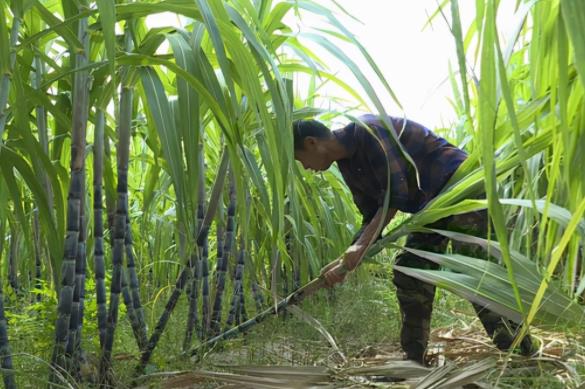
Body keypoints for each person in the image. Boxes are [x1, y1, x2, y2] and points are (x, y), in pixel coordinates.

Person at [292, 114, 535, 364]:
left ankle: (521, 353)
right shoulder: (348, 165)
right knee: (410, 270)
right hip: (430, 206)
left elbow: (395, 196)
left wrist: (360, 246)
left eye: (301, 160)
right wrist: (343, 261)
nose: (306, 167)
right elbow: (371, 217)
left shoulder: (369, 130)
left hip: (462, 188)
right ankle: (414, 358)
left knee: (475, 271)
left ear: (312, 143)